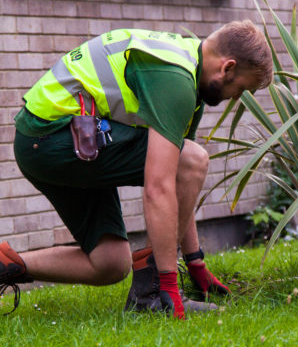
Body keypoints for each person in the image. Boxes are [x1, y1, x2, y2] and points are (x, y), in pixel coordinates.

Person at [0, 20, 273, 319]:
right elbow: (160, 186)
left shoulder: (187, 74)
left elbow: (181, 181)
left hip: (57, 142)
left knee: (111, 263)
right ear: (228, 68)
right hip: (52, 138)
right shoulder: (174, 79)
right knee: (193, 158)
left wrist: (196, 263)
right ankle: (151, 295)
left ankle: (5, 263)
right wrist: (168, 283)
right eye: (241, 88)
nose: (235, 97)